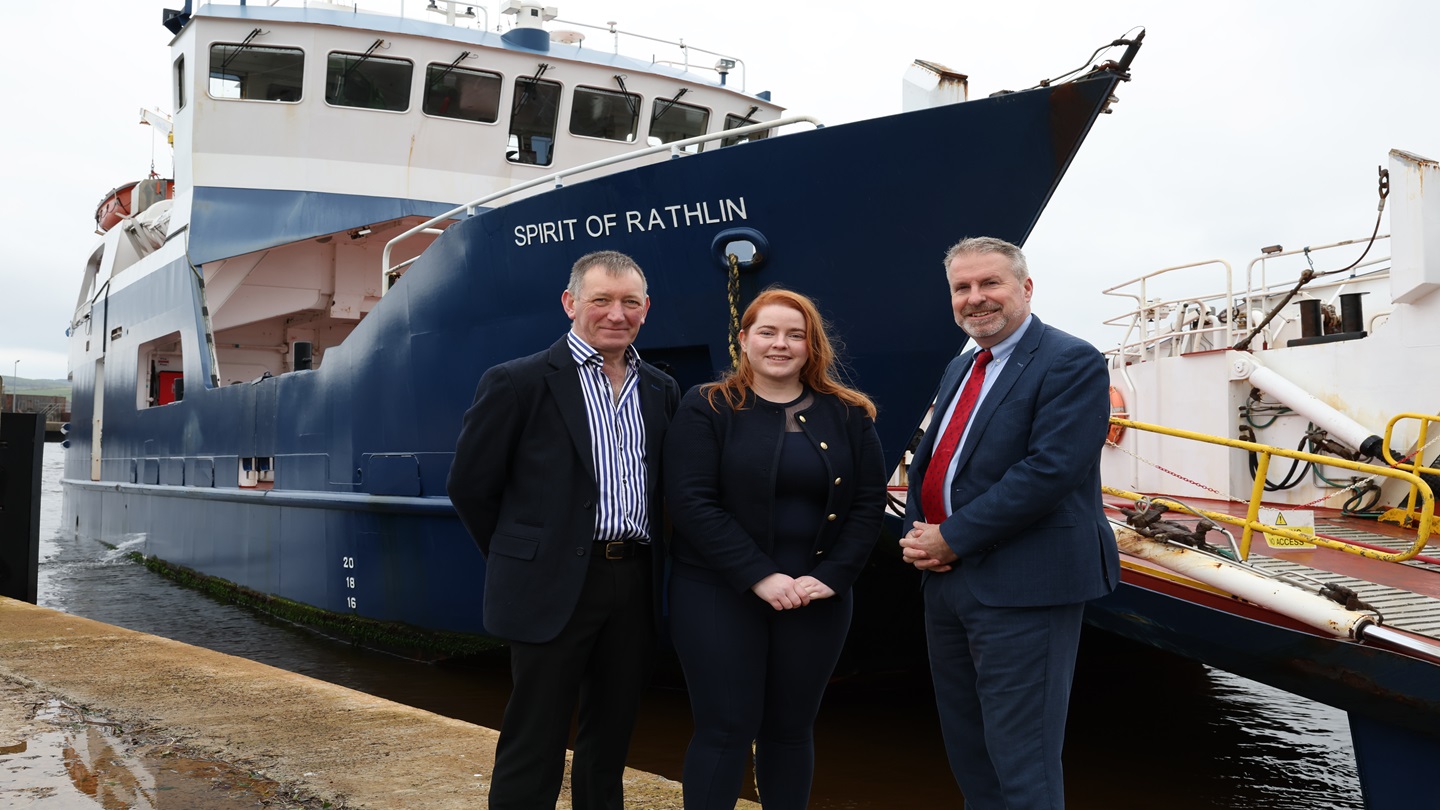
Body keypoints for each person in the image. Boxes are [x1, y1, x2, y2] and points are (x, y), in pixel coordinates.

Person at [446, 250, 680, 810]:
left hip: (634, 583)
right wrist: (525, 555)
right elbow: (470, 487)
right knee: (536, 736)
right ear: (571, 303)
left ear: (646, 309)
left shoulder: (661, 389)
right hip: (549, 581)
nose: (615, 314)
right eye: (601, 300)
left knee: (612, 738)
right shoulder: (517, 382)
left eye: (629, 302)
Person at [898, 236, 1118, 810]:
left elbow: (1051, 471)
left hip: (1026, 584)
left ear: (1025, 287)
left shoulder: (1070, 360)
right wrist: (918, 535)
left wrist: (951, 536)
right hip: (948, 583)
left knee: (1023, 761)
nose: (975, 298)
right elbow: (937, 460)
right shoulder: (963, 364)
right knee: (969, 748)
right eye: (962, 288)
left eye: (989, 283)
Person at [664, 287, 886, 810]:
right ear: (744, 340)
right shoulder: (707, 406)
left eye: (795, 334)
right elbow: (691, 502)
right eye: (767, 332)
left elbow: (869, 504)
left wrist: (832, 576)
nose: (780, 345)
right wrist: (759, 575)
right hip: (719, 592)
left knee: (791, 728)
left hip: (815, 596)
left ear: (813, 345)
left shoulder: (851, 414)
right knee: (726, 727)